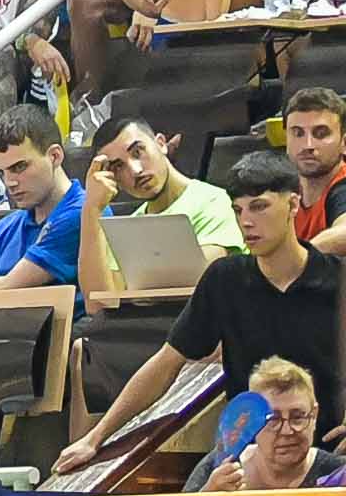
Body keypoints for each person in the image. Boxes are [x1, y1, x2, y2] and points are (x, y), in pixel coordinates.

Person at [65, 149, 345, 464]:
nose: (247, 222)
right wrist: (95, 437)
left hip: (329, 451)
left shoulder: (338, 279)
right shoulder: (225, 280)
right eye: (238, 211)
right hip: (249, 456)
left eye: (259, 207)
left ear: (293, 204)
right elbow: (165, 364)